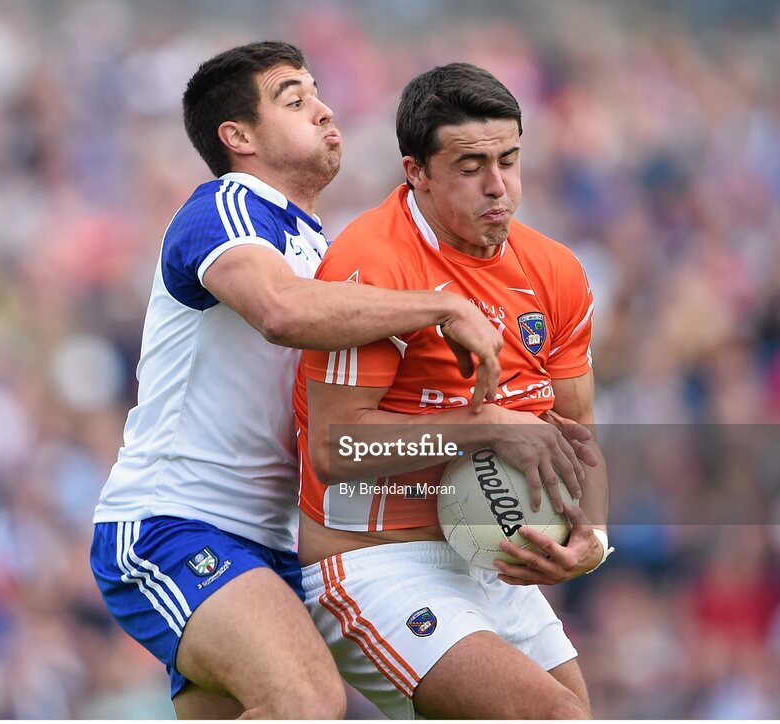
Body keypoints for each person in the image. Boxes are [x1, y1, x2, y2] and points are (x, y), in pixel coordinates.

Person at [88, 42, 518, 719]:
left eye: (317, 93)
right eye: (294, 100)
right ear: (239, 137)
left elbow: (351, 430)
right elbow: (280, 311)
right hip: (175, 524)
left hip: (275, 548)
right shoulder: (225, 208)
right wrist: (442, 304)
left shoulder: (325, 251)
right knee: (308, 704)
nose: (322, 109)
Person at [293, 62, 613, 719]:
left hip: (490, 557)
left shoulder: (556, 271)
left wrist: (593, 535)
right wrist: (485, 426)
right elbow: (336, 448)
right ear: (417, 172)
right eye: (471, 167)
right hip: (371, 565)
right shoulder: (371, 263)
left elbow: (578, 434)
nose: (498, 186)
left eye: (510, 159)